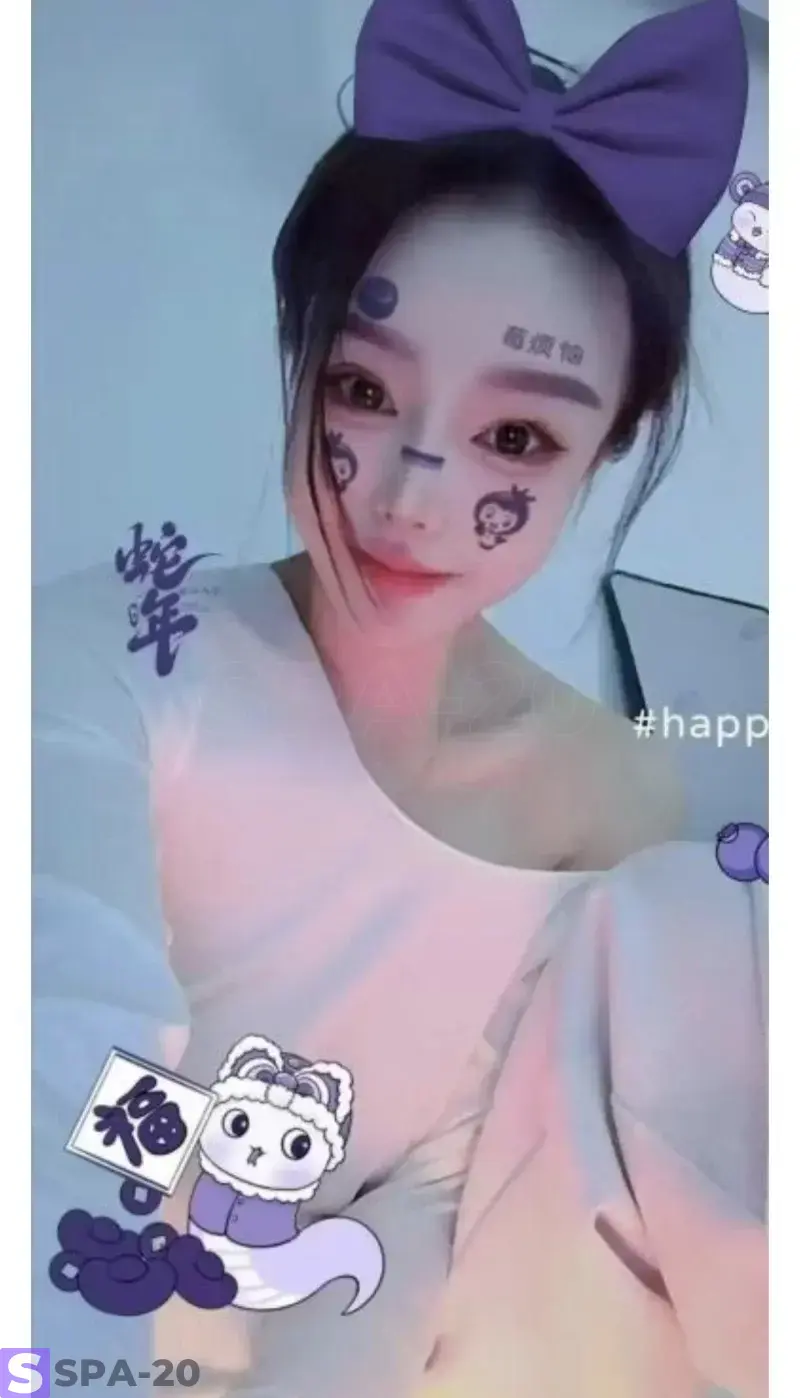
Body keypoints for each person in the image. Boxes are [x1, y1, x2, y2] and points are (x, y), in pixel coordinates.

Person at [33, 0, 766, 1394]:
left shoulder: (615, 800)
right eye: (365, 390)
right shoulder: (121, 649)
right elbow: (53, 1026)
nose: (414, 492)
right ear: (299, 350)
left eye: (514, 433)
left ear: (608, 443)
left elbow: (437, 1200)